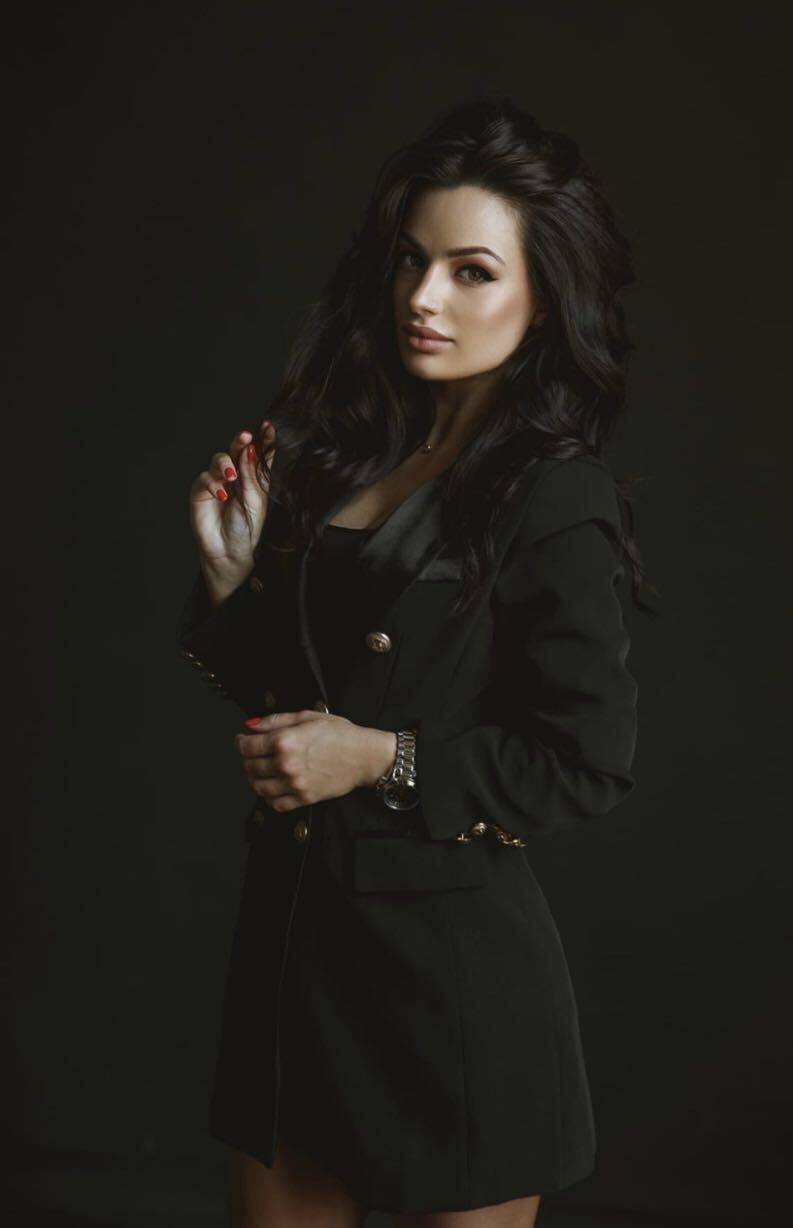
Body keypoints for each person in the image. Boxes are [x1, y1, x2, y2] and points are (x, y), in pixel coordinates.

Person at [177, 95, 652, 1228]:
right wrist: (234, 584)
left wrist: (377, 759)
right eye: (411, 260)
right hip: (293, 963)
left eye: (472, 272)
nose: (424, 297)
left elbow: (584, 760)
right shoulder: (354, 454)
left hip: (448, 992)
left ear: (544, 298)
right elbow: (308, 714)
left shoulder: (557, 494)